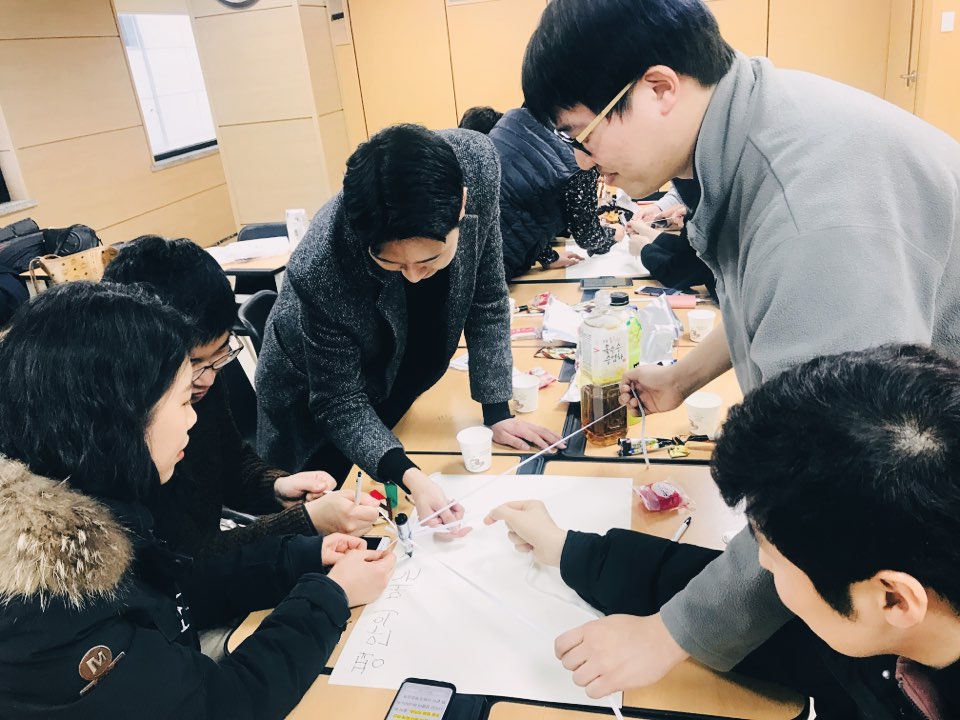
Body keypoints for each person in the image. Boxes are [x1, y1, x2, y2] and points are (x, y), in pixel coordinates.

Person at [520, 0, 960, 694]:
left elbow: (830, 481)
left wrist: (669, 633)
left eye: (583, 133)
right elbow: (771, 291)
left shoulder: (813, 208)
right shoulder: (756, 130)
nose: (584, 159)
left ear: (658, 88)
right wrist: (683, 377)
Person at [485, 344, 960, 719]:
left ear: (894, 599)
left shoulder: (864, 625)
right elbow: (751, 613)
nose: (758, 566)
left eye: (772, 562)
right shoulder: (880, 617)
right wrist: (568, 551)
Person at [0, 282, 395, 718]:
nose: (192, 419)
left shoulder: (83, 500)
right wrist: (330, 598)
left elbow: (171, 590)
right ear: (121, 417)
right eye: (184, 400)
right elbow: (221, 704)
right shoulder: (47, 609)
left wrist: (300, 558)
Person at [256, 124, 563, 532]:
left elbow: (486, 296)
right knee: (338, 515)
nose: (414, 276)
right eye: (393, 263)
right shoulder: (322, 266)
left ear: (461, 205)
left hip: (395, 362)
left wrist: (497, 412)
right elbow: (339, 401)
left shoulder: (477, 166)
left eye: (429, 260)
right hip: (308, 389)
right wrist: (410, 475)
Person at [103, 236, 381, 560]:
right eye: (193, 363)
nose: (207, 379)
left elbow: (231, 460)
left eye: (220, 354)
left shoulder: (201, 378)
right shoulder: (120, 438)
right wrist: (304, 521)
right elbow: (186, 559)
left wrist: (277, 487)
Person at [459, 106, 620, 278]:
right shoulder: (581, 159)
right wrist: (614, 234)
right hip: (494, 259)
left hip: (461, 242)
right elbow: (588, 236)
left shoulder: (515, 118)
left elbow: (524, 204)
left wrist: (549, 257)